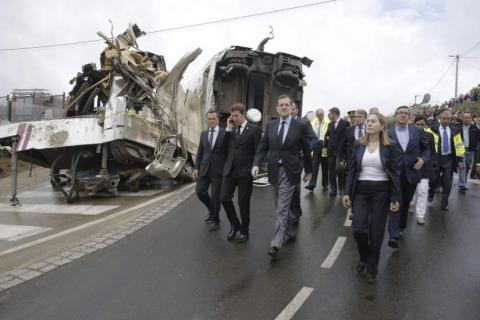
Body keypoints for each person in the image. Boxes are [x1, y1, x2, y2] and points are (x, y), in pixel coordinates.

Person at [252, 94, 313, 259]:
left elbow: (307, 149)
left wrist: (309, 169)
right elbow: (263, 146)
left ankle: (276, 243)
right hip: (273, 170)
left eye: (287, 105)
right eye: (281, 105)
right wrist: (256, 163)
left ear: (291, 107)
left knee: (281, 208)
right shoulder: (271, 125)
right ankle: (290, 232)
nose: (284, 107)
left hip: (290, 170)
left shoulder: (299, 125)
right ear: (277, 108)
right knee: (279, 205)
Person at [343, 112, 400, 283]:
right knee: (359, 229)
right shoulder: (358, 144)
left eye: (373, 121)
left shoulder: (391, 145)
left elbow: (396, 173)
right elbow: (352, 169)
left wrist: (395, 197)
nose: (369, 123)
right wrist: (347, 192)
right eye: (368, 121)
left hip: (381, 191)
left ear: (382, 125)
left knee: (376, 231)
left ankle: (372, 267)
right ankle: (364, 256)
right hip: (361, 190)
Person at [387, 106, 430, 248]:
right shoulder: (388, 132)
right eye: (400, 113)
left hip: (411, 173)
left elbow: (427, 148)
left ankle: (401, 227)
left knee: (405, 203)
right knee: (395, 201)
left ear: (410, 117)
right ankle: (393, 234)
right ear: (395, 115)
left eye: (406, 113)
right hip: (394, 174)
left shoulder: (417, 131)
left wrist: (423, 160)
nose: (403, 115)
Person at [220, 103, 262, 243]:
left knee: (243, 203)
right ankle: (234, 224)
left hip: (245, 172)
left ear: (243, 115)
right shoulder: (231, 129)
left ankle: (244, 231)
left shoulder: (254, 130)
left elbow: (258, 150)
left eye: (236, 116)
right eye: (232, 116)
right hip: (230, 171)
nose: (234, 118)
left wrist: (255, 165)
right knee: (224, 198)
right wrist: (227, 129)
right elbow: (223, 147)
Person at [193, 110, 228, 231]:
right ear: (207, 120)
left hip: (218, 170)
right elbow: (200, 153)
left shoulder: (225, 134)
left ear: (218, 120)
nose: (211, 121)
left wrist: (227, 170)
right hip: (204, 169)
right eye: (209, 119)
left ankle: (215, 219)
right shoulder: (203, 134)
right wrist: (196, 167)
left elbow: (228, 154)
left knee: (215, 197)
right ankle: (211, 209)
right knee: (200, 192)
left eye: (213, 119)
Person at [428, 110, 465, 210]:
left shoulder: (455, 130)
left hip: (449, 159)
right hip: (436, 158)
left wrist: (460, 160)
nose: (446, 121)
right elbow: (426, 145)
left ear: (451, 119)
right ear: (440, 118)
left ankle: (444, 203)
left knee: (447, 182)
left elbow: (459, 146)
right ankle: (431, 193)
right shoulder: (431, 129)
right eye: (444, 118)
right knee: (433, 180)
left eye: (448, 119)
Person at [290, 102, 318, 226]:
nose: (290, 111)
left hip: (298, 159)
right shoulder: (280, 123)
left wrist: (305, 149)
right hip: (283, 159)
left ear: (297, 111)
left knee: (295, 185)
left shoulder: (304, 124)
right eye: (289, 108)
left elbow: (314, 139)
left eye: (293, 109)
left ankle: (295, 212)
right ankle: (286, 211)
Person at [412, 115, 437, 225]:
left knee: (422, 191)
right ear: (414, 124)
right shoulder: (410, 134)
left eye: (422, 124)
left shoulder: (430, 136)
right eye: (418, 124)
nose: (420, 126)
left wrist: (431, 164)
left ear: (426, 125)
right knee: (411, 190)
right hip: (411, 167)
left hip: (425, 168)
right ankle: (411, 203)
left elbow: (433, 152)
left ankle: (420, 215)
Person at [324, 107, 350, 196]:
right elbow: (326, 135)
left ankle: (342, 188)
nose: (328, 116)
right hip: (331, 151)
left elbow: (347, 137)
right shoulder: (330, 124)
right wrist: (326, 142)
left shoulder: (345, 123)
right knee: (331, 171)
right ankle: (333, 190)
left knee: (340, 169)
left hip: (341, 151)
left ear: (334, 113)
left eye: (330, 114)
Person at [305, 108, 330, 192]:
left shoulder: (328, 122)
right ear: (316, 115)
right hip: (316, 145)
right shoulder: (312, 122)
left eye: (322, 115)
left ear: (323, 114)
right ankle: (311, 185)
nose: (320, 116)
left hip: (324, 145)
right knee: (314, 166)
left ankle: (325, 184)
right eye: (319, 115)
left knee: (325, 165)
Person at [458, 111, 480, 191]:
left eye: (468, 118)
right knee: (462, 167)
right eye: (465, 118)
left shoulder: (475, 128)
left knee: (467, 167)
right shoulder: (458, 127)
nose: (467, 119)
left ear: (471, 119)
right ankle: (462, 184)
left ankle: (463, 181)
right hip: (460, 150)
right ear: (462, 118)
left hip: (470, 150)